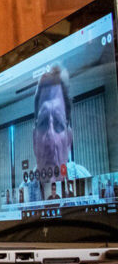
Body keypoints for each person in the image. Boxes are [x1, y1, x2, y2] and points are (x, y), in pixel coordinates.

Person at [21, 63, 91, 202]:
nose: (51, 138)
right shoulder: (24, 193)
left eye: (58, 124)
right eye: (43, 123)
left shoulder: (82, 176)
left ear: (69, 140)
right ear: (34, 140)